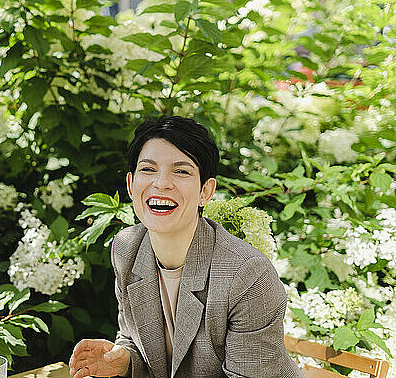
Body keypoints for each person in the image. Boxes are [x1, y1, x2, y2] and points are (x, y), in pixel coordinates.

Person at [68, 116, 304, 378]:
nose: (161, 183)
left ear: (206, 191)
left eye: (181, 171)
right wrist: (124, 362)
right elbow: (136, 340)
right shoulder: (126, 248)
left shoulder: (247, 276)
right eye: (148, 170)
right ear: (130, 185)